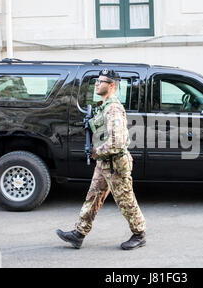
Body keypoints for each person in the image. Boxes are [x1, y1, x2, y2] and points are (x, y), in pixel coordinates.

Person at [56, 69, 147, 249]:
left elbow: (118, 142)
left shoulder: (113, 108)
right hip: (105, 162)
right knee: (93, 196)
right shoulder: (104, 106)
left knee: (125, 199)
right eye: (97, 81)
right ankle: (79, 233)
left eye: (101, 81)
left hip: (115, 164)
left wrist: (97, 151)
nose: (97, 83)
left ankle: (139, 233)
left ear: (111, 85)